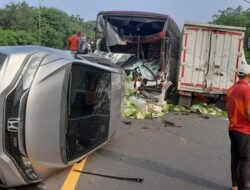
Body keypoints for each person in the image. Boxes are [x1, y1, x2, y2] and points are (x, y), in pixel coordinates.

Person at [226, 62, 250, 190]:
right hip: (244, 130)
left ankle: (234, 186)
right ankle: (244, 188)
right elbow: (248, 112)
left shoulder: (231, 89)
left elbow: (228, 110)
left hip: (233, 128)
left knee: (235, 158)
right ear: (248, 75)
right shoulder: (247, 90)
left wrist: (233, 122)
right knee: (245, 159)